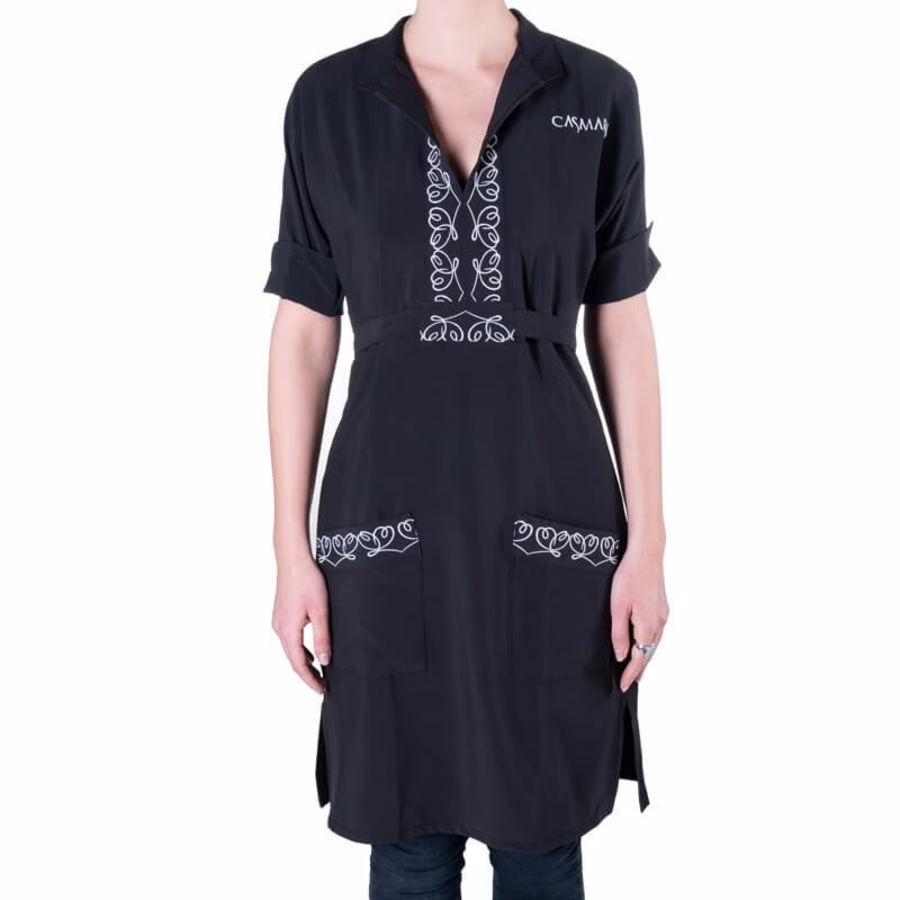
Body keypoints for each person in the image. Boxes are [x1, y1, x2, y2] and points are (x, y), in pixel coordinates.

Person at [263, 1, 669, 897]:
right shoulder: (328, 100)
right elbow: (303, 334)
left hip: (552, 522)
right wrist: (290, 548)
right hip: (385, 523)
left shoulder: (597, 94)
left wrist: (650, 543)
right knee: (406, 840)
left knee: (542, 842)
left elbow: (623, 325)